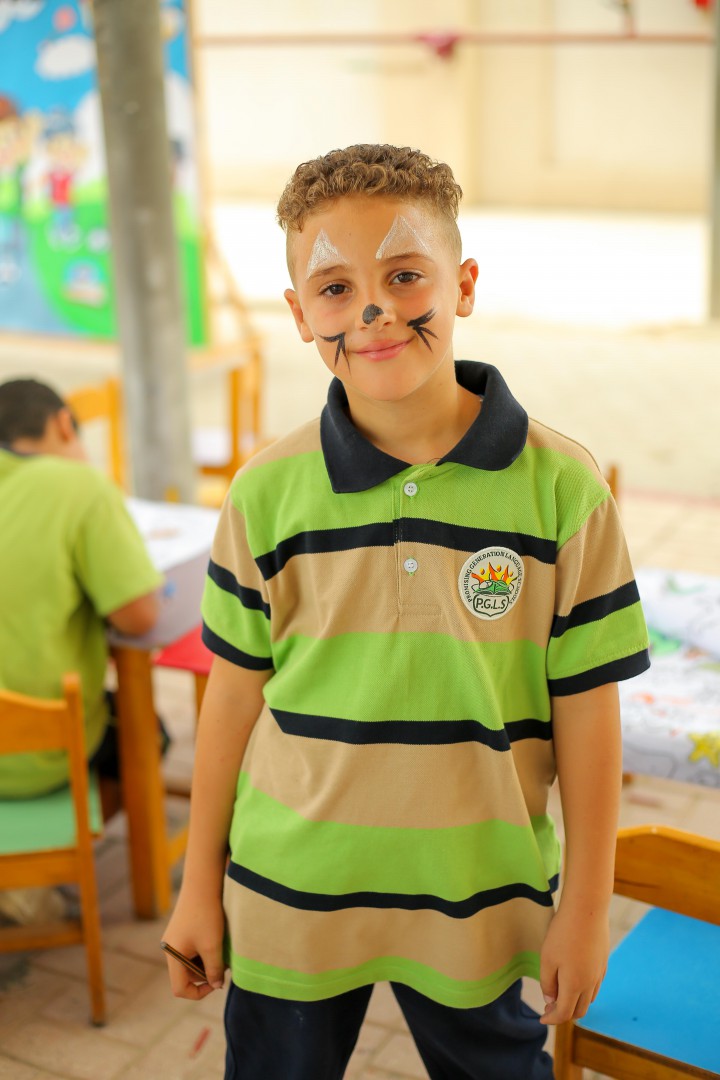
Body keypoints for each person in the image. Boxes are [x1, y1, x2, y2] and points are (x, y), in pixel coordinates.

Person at [163, 144, 650, 1080]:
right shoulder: (265, 493)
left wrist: (588, 909)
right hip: (291, 894)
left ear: (462, 285)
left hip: (478, 896)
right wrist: (197, 887)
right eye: (335, 289)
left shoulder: (563, 491)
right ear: (299, 315)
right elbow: (232, 699)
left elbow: (590, 710)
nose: (374, 311)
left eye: (404, 275)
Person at [0, 377, 162, 804]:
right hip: (36, 756)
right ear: (63, 424)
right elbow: (139, 617)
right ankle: (91, 827)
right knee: (149, 732)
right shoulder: (80, 486)